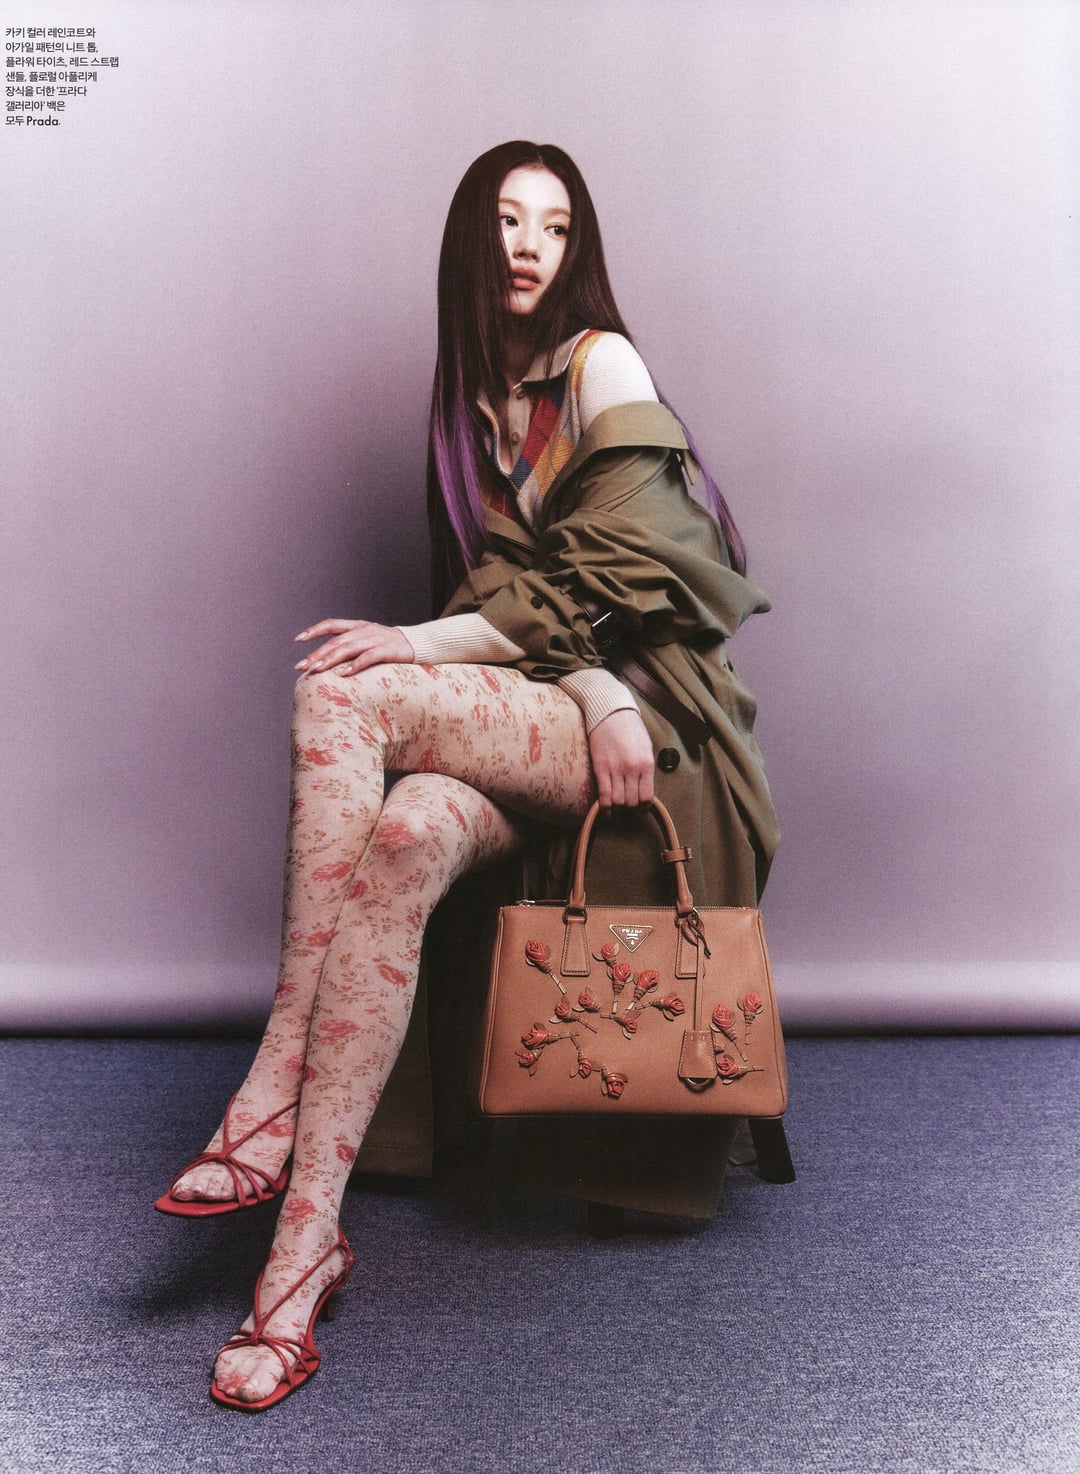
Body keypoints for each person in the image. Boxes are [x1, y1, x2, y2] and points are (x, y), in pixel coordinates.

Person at [155, 140, 779, 1411]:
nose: (530, 244)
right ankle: (302, 1246)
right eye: (506, 219)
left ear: (577, 246)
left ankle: (273, 1080)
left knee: (343, 686)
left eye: (554, 223)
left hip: (655, 725)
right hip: (557, 709)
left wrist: (542, 676)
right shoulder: (477, 399)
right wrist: (548, 675)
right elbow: (528, 611)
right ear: (470, 239)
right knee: (402, 837)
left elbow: (636, 581)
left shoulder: (603, 364)